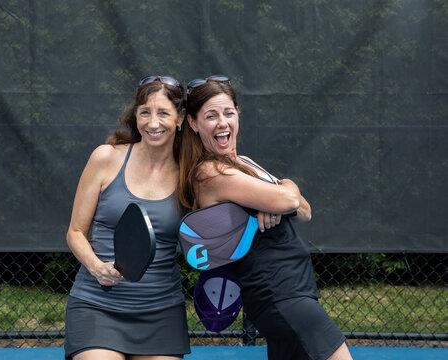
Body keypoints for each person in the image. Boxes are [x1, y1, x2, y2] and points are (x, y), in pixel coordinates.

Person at [177, 75, 353, 360]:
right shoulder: (209, 173)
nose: (222, 123)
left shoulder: (243, 163)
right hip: (280, 295)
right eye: (211, 116)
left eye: (228, 113)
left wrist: (282, 192)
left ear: (238, 115)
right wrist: (283, 192)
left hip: (295, 288)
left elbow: (305, 211)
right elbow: (292, 200)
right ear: (194, 123)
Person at [64, 76, 190, 360]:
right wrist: (97, 268)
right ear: (135, 116)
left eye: (163, 113)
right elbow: (75, 232)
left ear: (180, 118)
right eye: (145, 112)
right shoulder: (105, 158)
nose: (153, 123)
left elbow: (232, 192)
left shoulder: (190, 173)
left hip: (161, 312)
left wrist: (269, 205)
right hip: (97, 306)